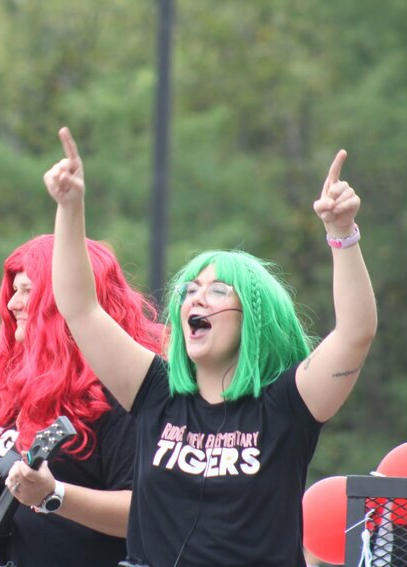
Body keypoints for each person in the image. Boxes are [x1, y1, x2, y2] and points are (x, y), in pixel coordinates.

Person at [44, 127, 376, 567]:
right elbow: (80, 309)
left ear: (254, 320)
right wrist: (70, 208)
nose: (196, 298)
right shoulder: (155, 393)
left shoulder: (286, 404)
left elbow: (355, 332)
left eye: (218, 290)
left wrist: (342, 232)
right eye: (190, 289)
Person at [0, 235, 165, 566]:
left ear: (69, 297)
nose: (13, 304)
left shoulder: (119, 391)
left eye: (28, 291)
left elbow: (151, 512)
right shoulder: (16, 387)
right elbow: (10, 500)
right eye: (14, 291)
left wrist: (54, 495)